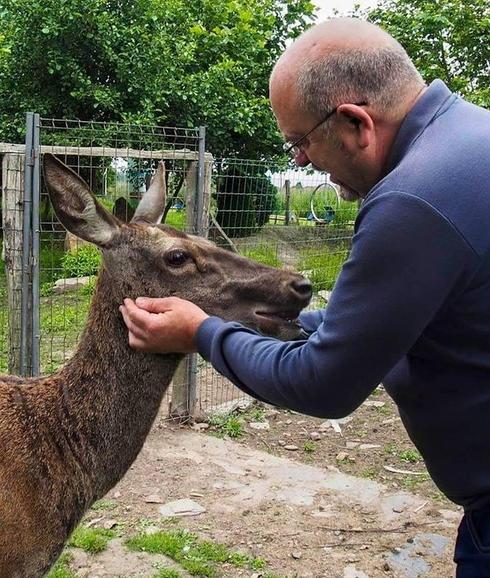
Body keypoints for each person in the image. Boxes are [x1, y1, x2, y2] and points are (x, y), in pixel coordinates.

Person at [120, 17, 490, 576]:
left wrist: (200, 332)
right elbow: (406, 322)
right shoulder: (468, 140)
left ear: (353, 122)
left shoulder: (412, 201)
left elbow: (323, 383)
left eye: (299, 140)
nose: (297, 160)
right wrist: (294, 324)